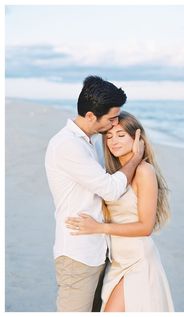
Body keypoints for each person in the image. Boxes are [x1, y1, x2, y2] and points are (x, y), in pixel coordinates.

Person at [45, 77, 144, 312]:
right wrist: (135, 159)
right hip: (78, 255)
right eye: (111, 119)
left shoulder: (87, 142)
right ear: (91, 116)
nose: (114, 124)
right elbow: (110, 190)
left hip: (97, 250)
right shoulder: (68, 145)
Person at [65, 111, 175, 312]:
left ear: (137, 138)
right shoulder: (114, 177)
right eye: (109, 136)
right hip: (117, 262)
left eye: (121, 135)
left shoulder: (144, 171)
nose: (114, 141)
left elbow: (146, 227)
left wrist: (99, 228)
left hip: (138, 260)